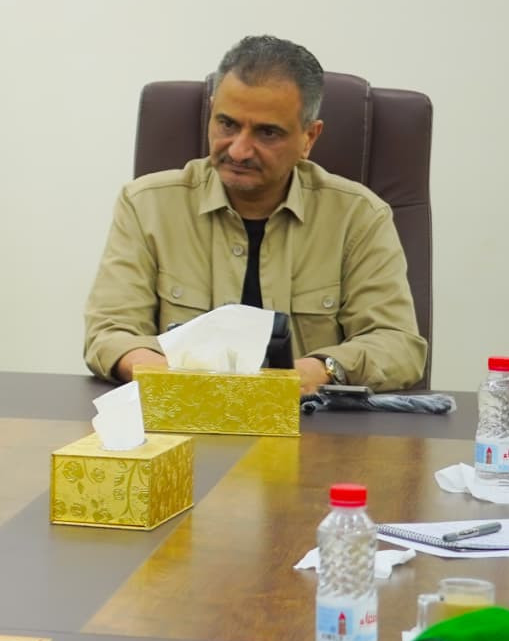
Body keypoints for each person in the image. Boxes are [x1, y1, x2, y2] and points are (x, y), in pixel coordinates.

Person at [83, 37, 428, 394]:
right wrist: (171, 376)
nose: (239, 150)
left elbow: (398, 344)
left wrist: (320, 370)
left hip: (309, 420)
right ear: (212, 113)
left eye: (267, 132)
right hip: (181, 414)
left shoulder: (359, 217)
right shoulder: (146, 205)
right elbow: (110, 332)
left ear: (309, 137)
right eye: (227, 124)